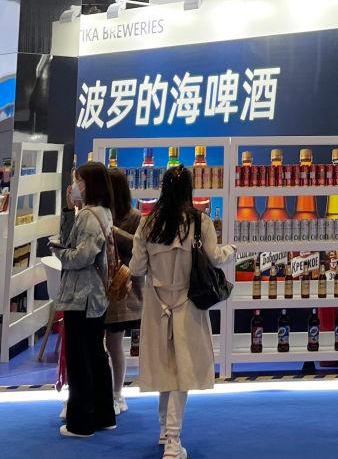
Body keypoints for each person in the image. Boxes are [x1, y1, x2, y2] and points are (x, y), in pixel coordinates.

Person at [130, 166, 235, 459]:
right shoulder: (200, 222)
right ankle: (173, 441)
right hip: (187, 303)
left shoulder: (148, 223)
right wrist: (232, 250)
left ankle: (165, 431)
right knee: (183, 372)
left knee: (163, 367)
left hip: (156, 304)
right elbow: (215, 258)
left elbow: (137, 268)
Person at [50, 162, 117, 438]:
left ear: (89, 184)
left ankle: (81, 422)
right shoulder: (101, 212)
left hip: (82, 296)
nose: (75, 186)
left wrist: (59, 252)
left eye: (79, 181)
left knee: (80, 359)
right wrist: (69, 210)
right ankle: (103, 415)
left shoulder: (90, 216)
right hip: (94, 296)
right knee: (95, 355)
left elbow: (80, 256)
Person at [105, 168, 144, 415]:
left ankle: (117, 392)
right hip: (101, 286)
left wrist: (115, 232)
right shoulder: (100, 213)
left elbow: (139, 246)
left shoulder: (135, 216)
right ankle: (104, 391)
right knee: (102, 343)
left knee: (114, 342)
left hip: (123, 287)